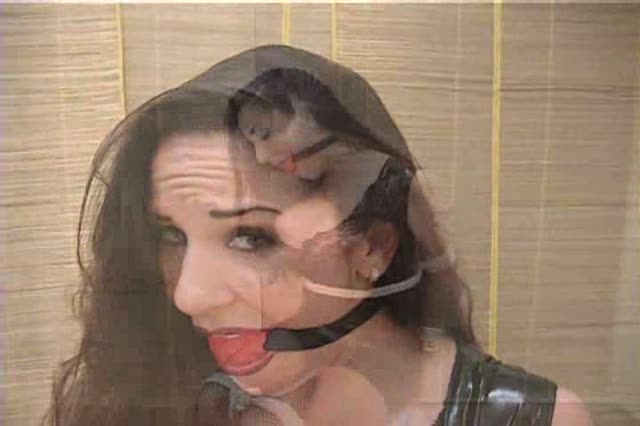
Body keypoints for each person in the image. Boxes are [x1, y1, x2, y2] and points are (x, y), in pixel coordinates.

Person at [45, 45, 593, 426]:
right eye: (172, 235)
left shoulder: (532, 419)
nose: (190, 295)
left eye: (250, 238)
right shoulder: (169, 394)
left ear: (373, 246)